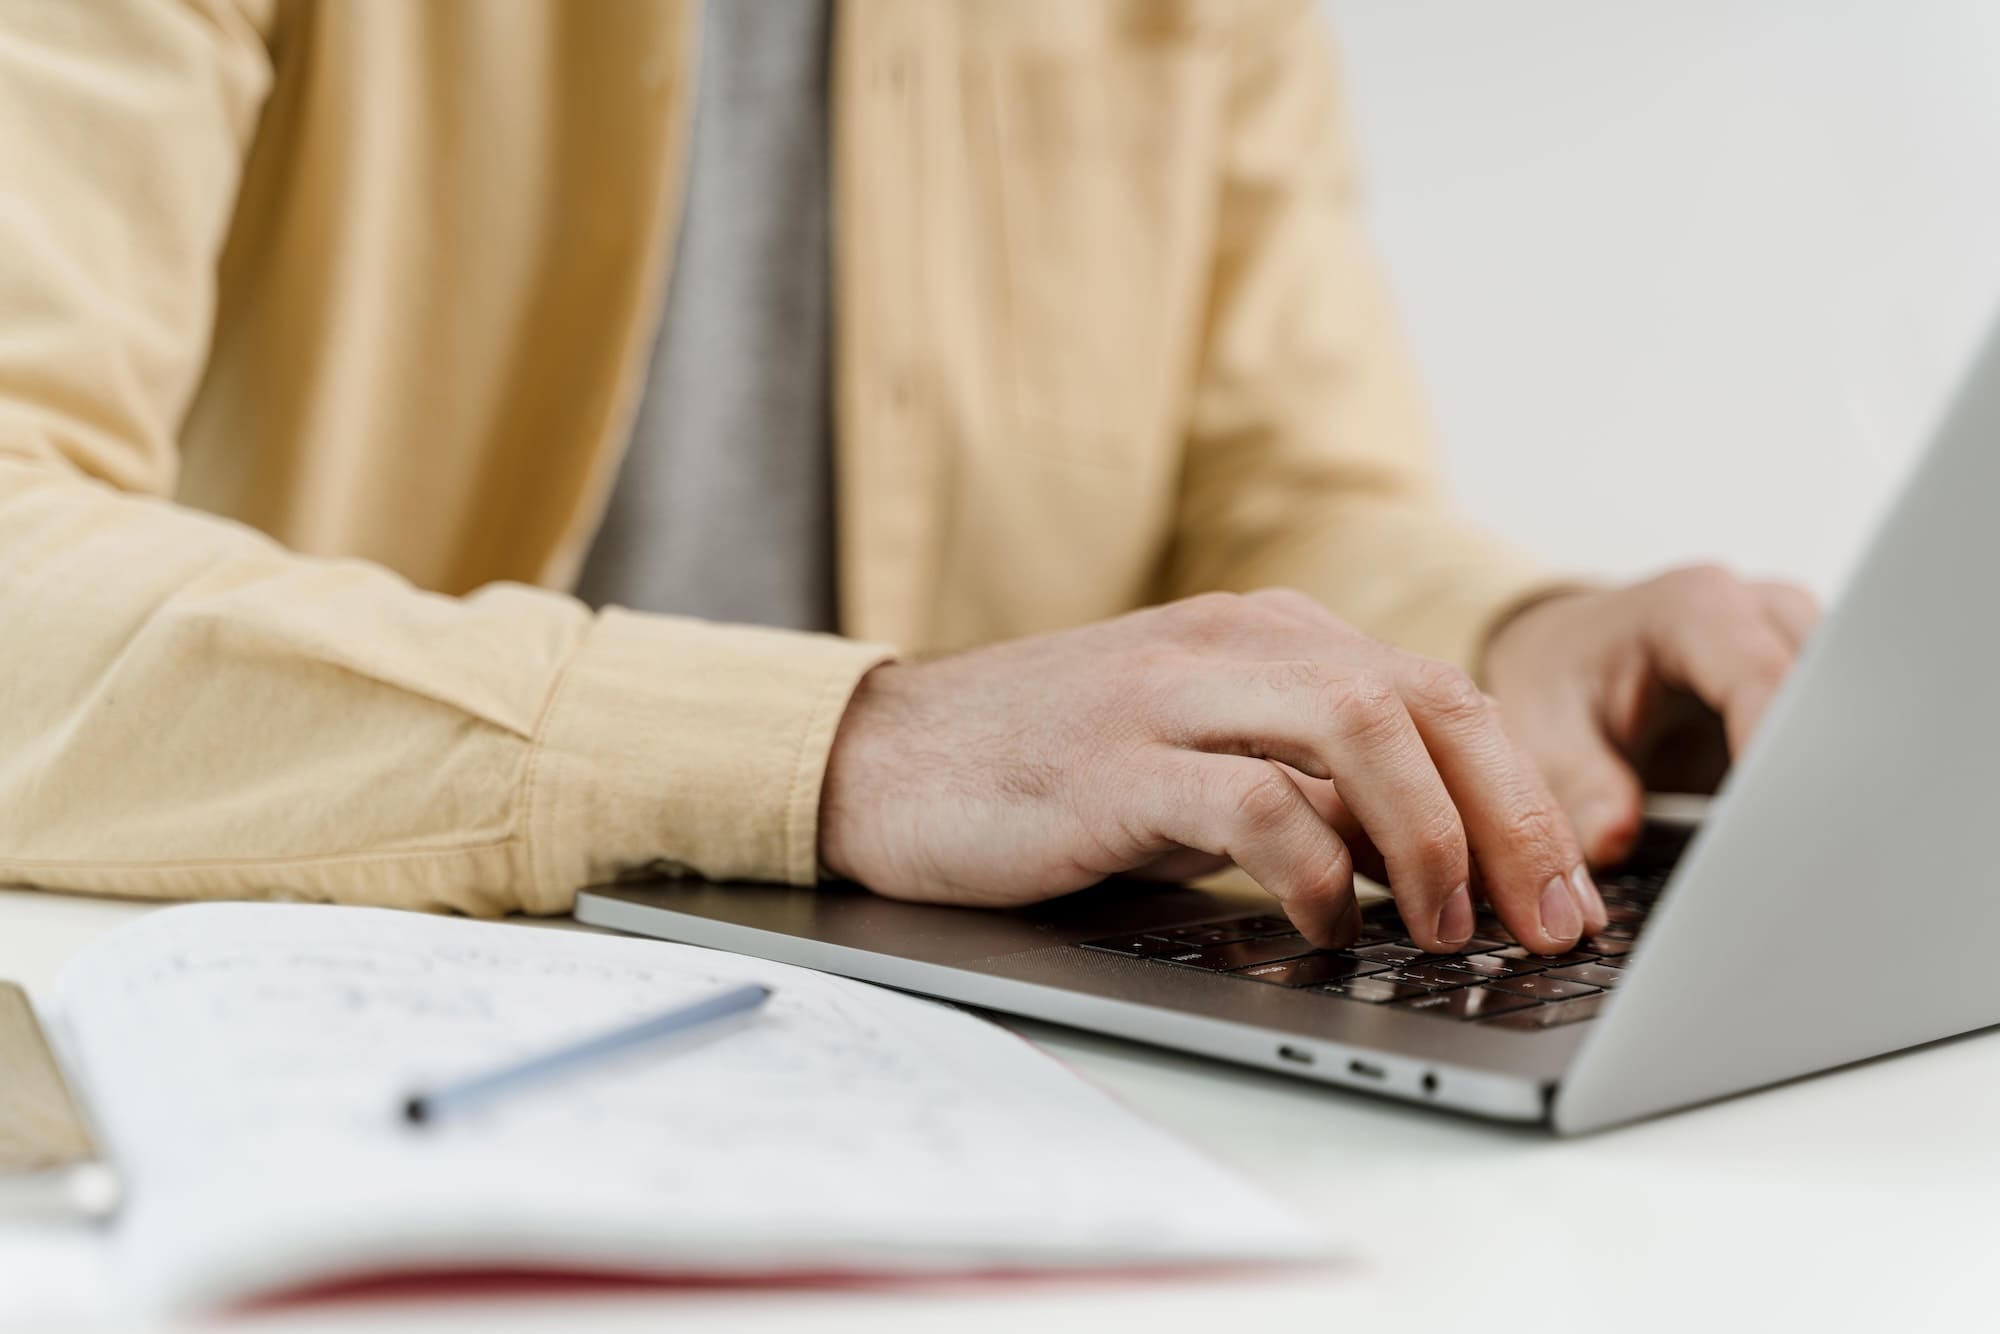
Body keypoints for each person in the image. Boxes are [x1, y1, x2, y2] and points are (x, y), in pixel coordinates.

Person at [0, 0, 1814, 959]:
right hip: (313, 1031)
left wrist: (1514, 642)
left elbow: (1270, 503)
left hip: (991, 1070)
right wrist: (860, 746)